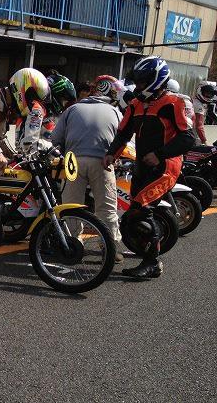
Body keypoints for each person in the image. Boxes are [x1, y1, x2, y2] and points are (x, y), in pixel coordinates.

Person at [103, 56, 194, 279]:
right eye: (139, 81)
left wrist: (160, 154)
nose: (139, 85)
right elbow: (123, 133)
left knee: (142, 210)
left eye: (143, 81)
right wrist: (110, 155)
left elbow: (188, 138)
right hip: (141, 166)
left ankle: (152, 262)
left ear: (157, 80)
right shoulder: (135, 104)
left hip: (165, 167)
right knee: (133, 213)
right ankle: (147, 251)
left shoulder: (174, 103)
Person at [51, 76, 123, 257]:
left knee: (71, 204)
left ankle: (72, 243)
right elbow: (124, 138)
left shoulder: (73, 109)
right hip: (102, 161)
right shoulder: (115, 111)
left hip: (72, 160)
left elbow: (55, 139)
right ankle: (110, 247)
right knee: (106, 206)